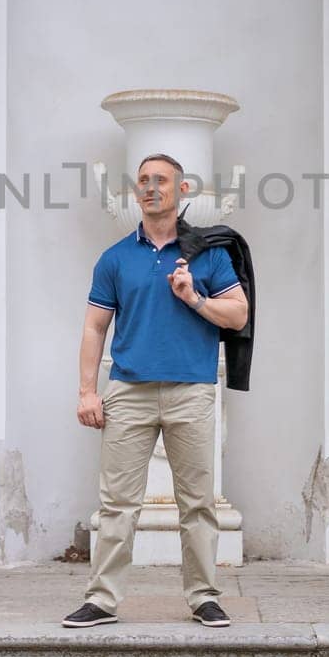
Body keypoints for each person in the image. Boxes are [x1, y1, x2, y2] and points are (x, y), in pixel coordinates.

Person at [61, 153, 249, 629]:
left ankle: (204, 596)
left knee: (198, 503)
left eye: (161, 180)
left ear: (182, 189)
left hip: (191, 391)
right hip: (129, 390)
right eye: (143, 181)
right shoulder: (115, 257)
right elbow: (93, 328)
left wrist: (194, 297)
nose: (150, 188)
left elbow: (238, 315)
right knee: (117, 503)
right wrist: (88, 391)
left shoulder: (208, 254)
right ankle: (102, 599)